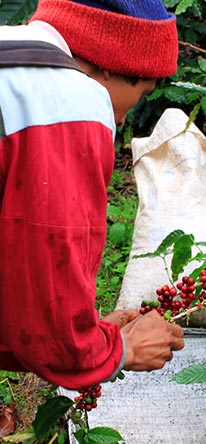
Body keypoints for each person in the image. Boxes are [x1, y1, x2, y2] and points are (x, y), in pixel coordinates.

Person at [0, 0, 184, 391]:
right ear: (107, 59)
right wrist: (118, 350)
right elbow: (47, 286)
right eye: (141, 92)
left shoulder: (10, 57)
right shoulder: (68, 101)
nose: (121, 119)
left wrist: (94, 332)